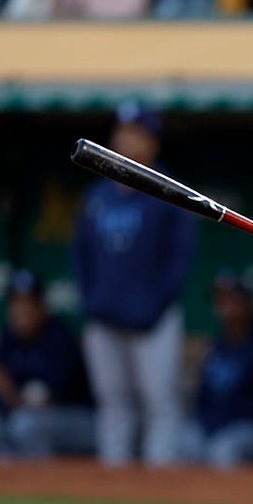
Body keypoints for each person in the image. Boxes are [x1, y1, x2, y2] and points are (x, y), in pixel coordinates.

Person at [72, 101, 197, 467]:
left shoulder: (169, 192)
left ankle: (159, 489)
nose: (125, 140)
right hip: (104, 320)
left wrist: (152, 308)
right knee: (113, 406)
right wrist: (93, 303)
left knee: (159, 404)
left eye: (135, 134)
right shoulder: (96, 197)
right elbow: (80, 258)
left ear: (152, 142)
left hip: (153, 321)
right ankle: (114, 486)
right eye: (121, 132)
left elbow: (179, 260)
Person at [0, 270, 94, 459]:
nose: (21, 309)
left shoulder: (60, 338)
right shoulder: (7, 337)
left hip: (75, 418)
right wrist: (8, 394)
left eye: (28, 302)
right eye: (16, 303)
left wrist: (10, 394)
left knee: (26, 426)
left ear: (41, 305)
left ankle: (42, 485)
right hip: (18, 411)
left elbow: (43, 399)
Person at [188, 271, 253, 470]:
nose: (225, 306)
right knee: (182, 442)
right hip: (217, 427)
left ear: (247, 303)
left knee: (224, 447)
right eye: (220, 300)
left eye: (231, 300)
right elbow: (201, 399)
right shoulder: (216, 346)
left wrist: (224, 422)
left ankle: (223, 500)